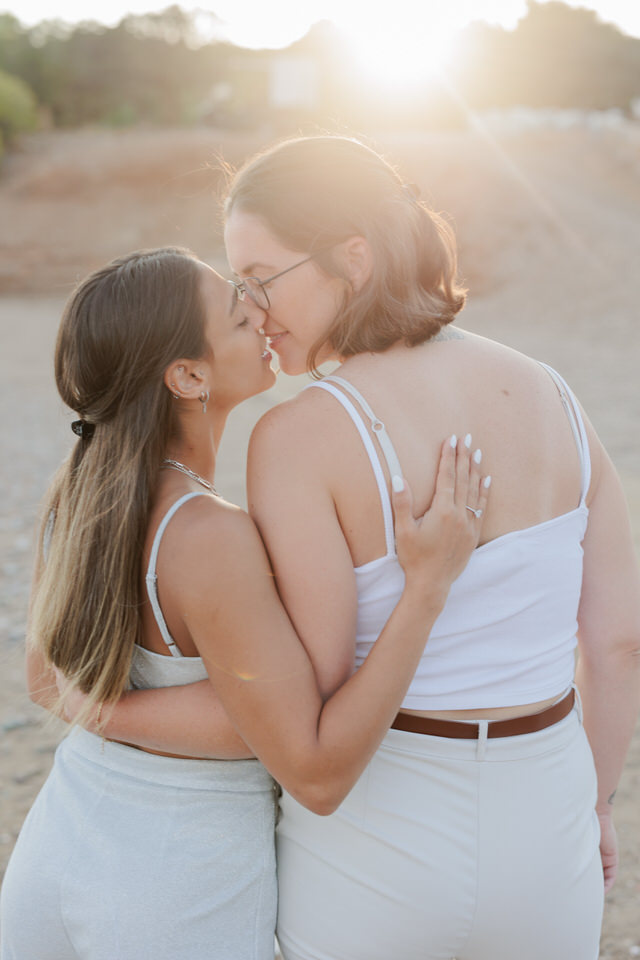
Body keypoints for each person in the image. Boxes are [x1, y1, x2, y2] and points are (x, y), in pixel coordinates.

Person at [73, 136, 640, 960]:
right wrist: (596, 804)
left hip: (381, 831)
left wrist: (100, 707)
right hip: (548, 815)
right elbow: (619, 643)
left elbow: (310, 696)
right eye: (239, 287)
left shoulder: (299, 436)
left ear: (354, 257)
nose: (252, 309)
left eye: (262, 278)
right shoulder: (555, 395)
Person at [0, 245, 488, 960]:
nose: (259, 313)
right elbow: (312, 762)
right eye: (236, 314)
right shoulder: (208, 536)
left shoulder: (76, 498)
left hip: (55, 853)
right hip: (172, 885)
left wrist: (100, 709)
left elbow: (48, 683)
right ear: (188, 375)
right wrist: (427, 588)